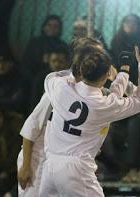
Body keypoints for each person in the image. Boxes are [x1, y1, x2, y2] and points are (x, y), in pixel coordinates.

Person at [17, 37, 131, 197]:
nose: (99, 56)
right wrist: (26, 165)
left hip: (60, 162)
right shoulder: (61, 87)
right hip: (37, 157)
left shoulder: (91, 88)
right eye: (95, 52)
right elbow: (31, 127)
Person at [38, 41, 140, 197]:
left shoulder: (60, 86)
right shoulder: (103, 105)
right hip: (76, 170)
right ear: (106, 75)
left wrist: (122, 74)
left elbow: (55, 77)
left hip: (50, 166)